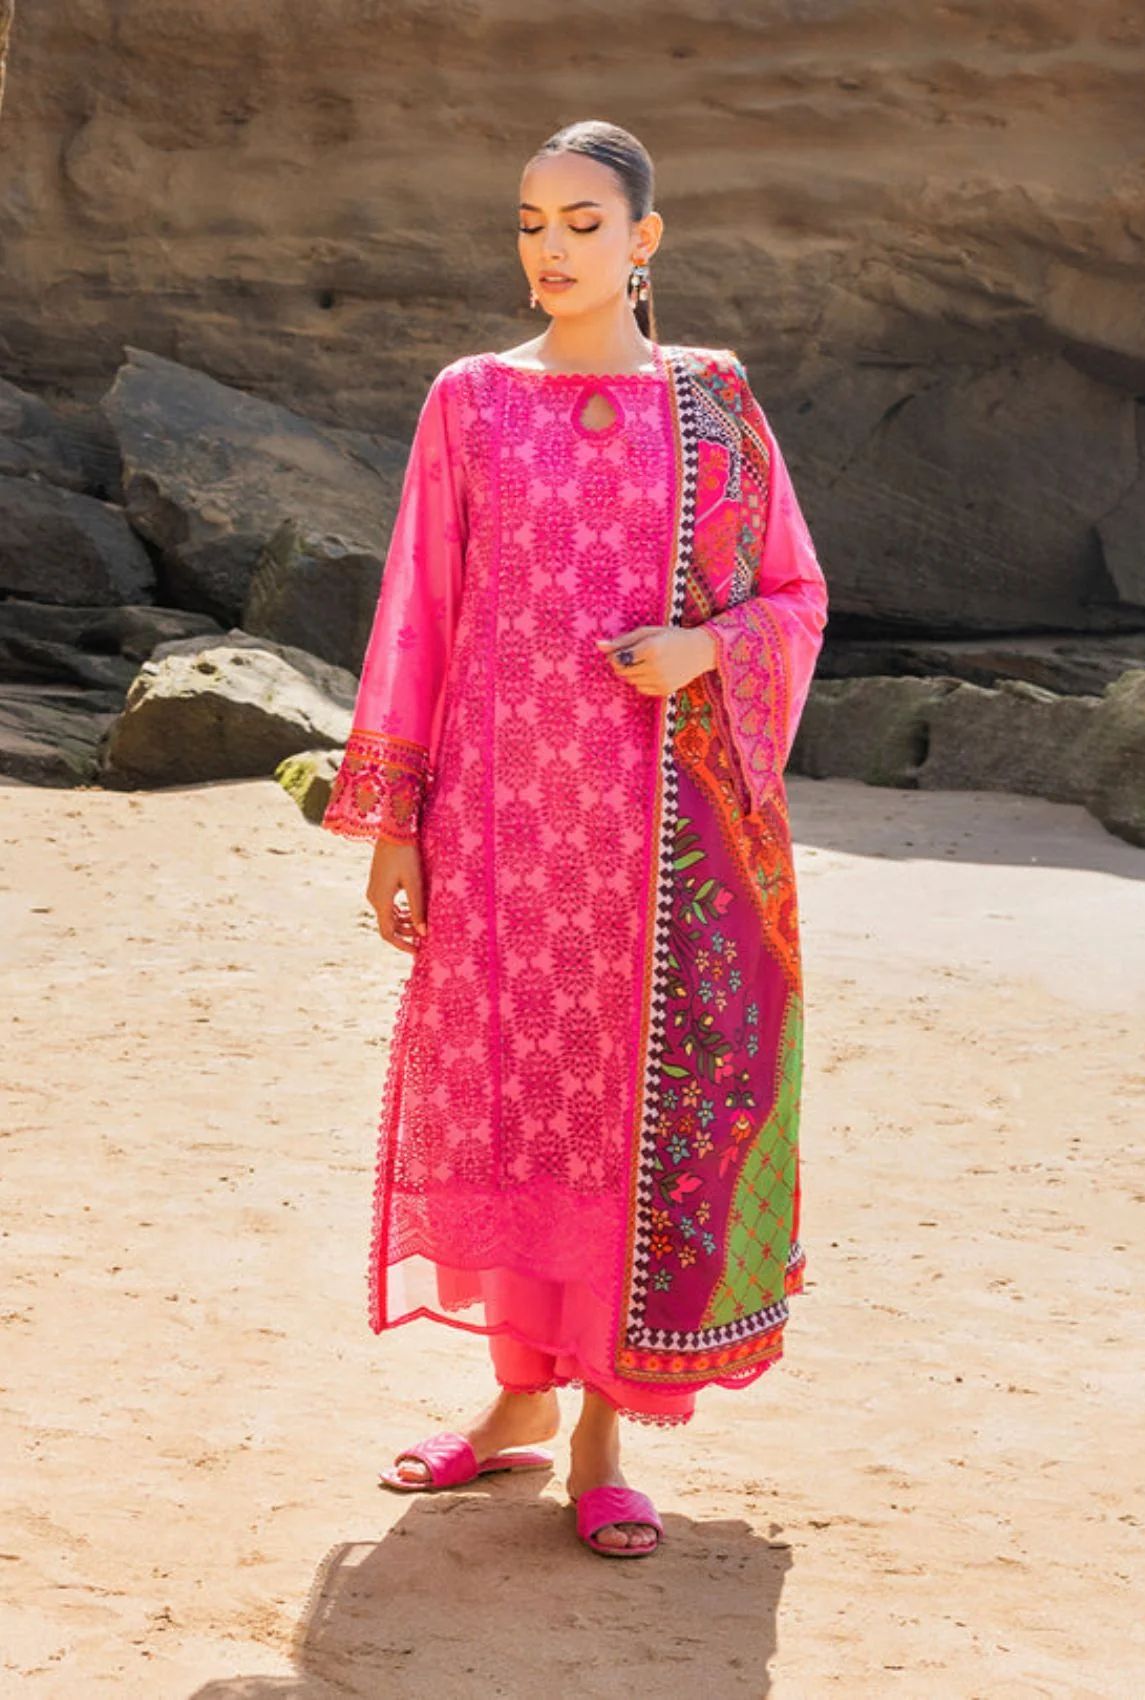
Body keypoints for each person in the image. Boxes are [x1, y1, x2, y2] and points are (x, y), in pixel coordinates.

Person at [321, 119, 829, 1559]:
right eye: (532, 223)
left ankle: (603, 1427)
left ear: (645, 241)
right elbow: (419, 611)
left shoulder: (714, 402)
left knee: (632, 1118)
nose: (552, 249)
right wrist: (397, 825)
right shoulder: (471, 401)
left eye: (585, 224)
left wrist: (705, 648)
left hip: (667, 841)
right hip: (502, 827)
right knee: (511, 1100)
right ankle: (516, 1405)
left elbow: (795, 593)